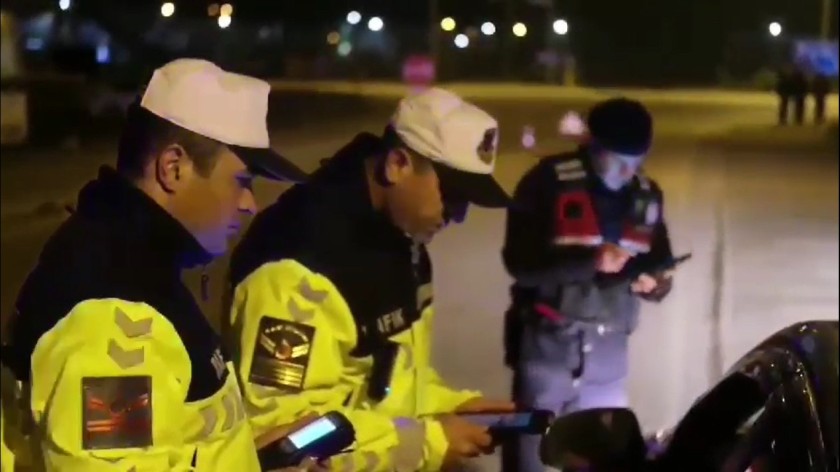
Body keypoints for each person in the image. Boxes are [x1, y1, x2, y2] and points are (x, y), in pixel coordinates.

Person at [0, 58, 322, 471]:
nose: (250, 205)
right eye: (242, 183)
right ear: (173, 168)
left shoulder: (133, 262)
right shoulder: (113, 314)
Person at [226, 87, 516, 471]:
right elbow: (288, 440)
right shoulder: (299, 267)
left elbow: (387, 385)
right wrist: (429, 441)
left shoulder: (400, 240)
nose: (458, 215)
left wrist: (452, 407)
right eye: (452, 195)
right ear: (397, 164)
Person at [500, 98, 676, 472]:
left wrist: (656, 284)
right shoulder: (546, 182)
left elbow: (659, 260)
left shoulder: (646, 195)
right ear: (593, 147)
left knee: (604, 461)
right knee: (531, 456)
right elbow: (520, 264)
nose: (628, 172)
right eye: (619, 161)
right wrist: (591, 262)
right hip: (548, 352)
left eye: (637, 162)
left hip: (608, 359)